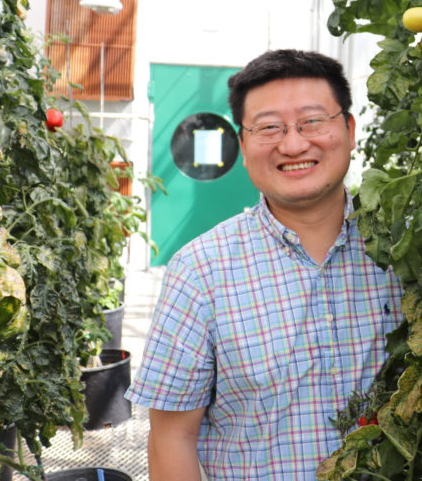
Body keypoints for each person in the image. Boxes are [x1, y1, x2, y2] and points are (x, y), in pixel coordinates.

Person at [126, 49, 403, 480]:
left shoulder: (407, 251)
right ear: (243, 144)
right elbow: (171, 436)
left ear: (349, 130)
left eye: (312, 121)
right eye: (269, 127)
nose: (293, 144)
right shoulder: (200, 271)